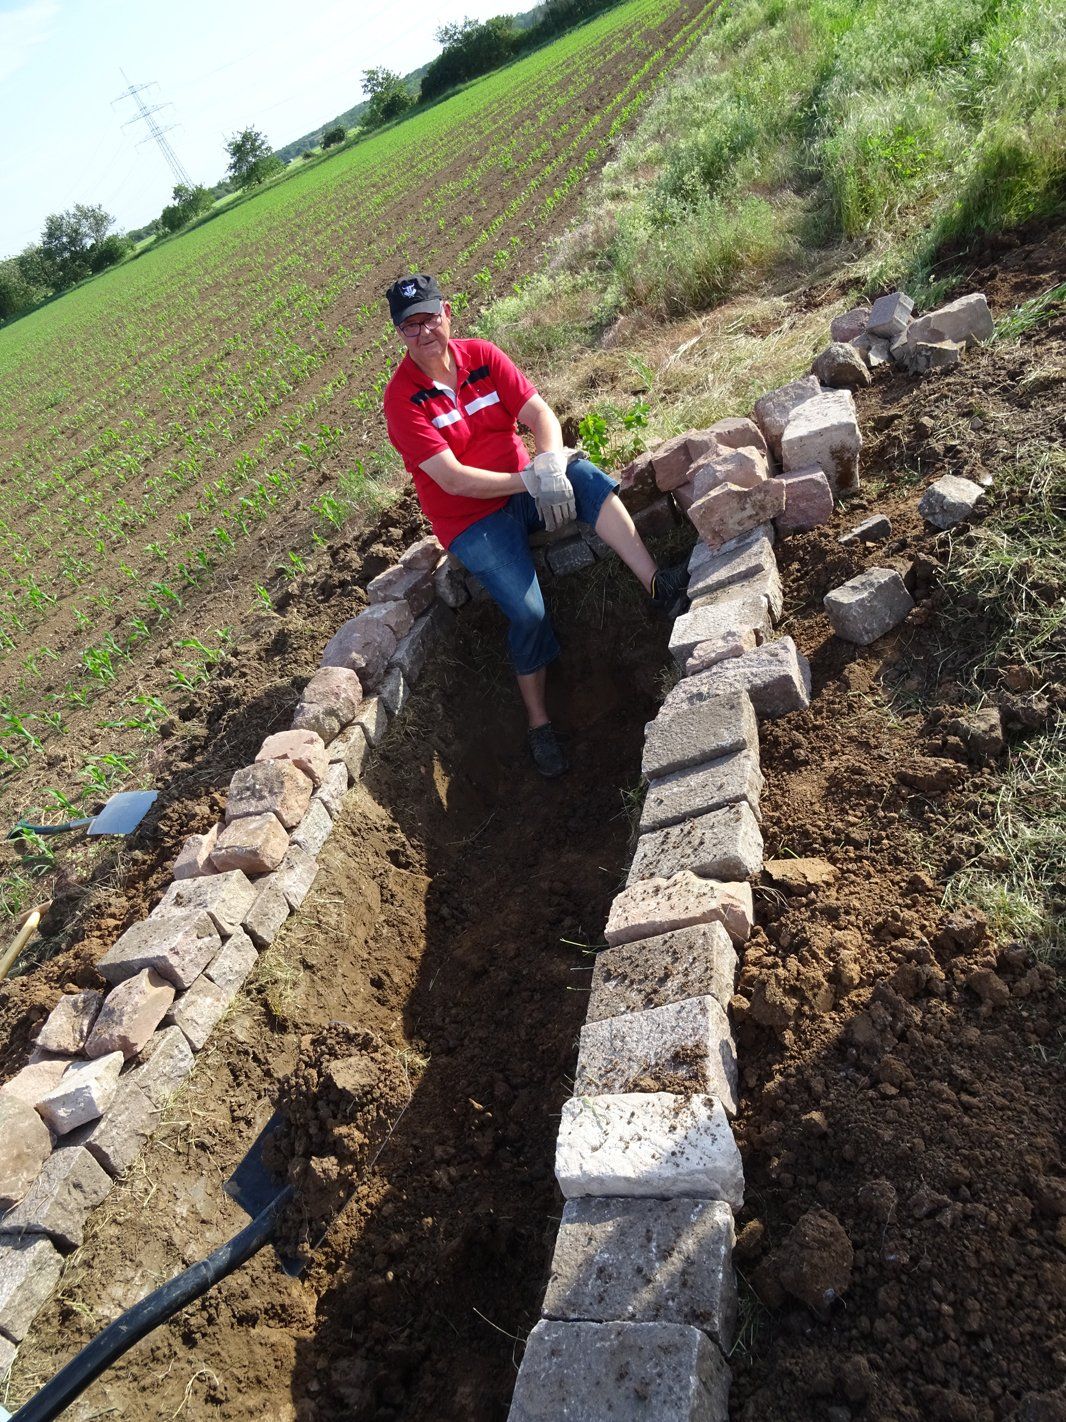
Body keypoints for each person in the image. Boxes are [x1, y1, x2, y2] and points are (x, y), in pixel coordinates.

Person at [382, 273, 690, 778]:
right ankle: (539, 723)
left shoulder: (481, 355)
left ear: (448, 313)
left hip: (525, 484)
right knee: (527, 614)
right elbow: (453, 480)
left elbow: (539, 412)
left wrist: (549, 462)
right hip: (471, 519)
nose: (423, 332)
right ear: (399, 334)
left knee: (584, 475)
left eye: (430, 318)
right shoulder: (403, 401)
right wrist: (530, 480)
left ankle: (657, 585)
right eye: (410, 325)